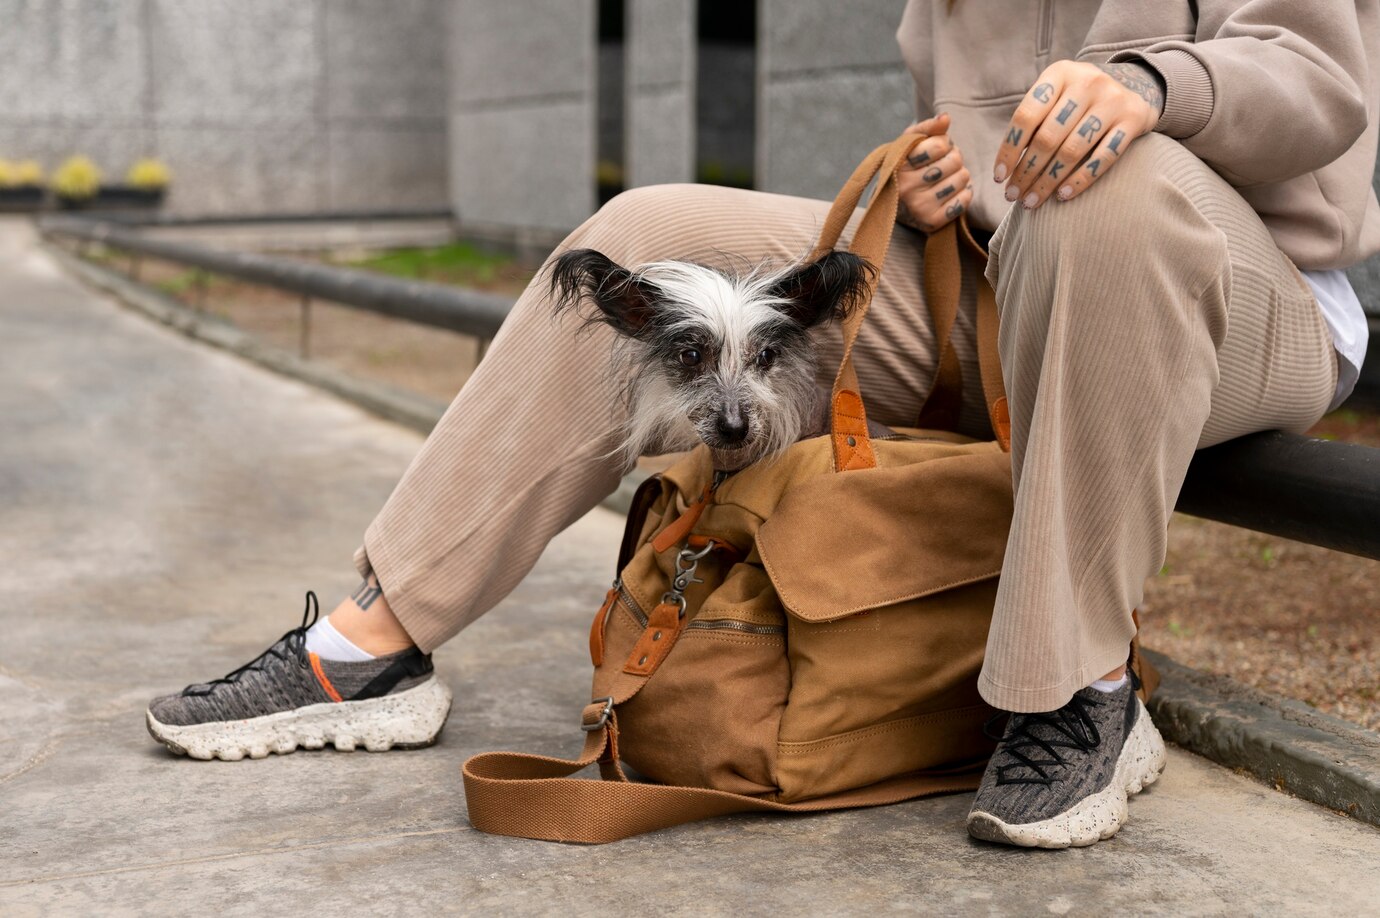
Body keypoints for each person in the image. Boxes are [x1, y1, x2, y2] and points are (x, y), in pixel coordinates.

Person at [146, 0, 1375, 848]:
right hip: (1011, 273)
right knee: (644, 235)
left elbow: (1321, 86)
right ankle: (370, 649)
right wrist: (940, 174)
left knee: (1116, 195)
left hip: (1240, 284)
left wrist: (1154, 88)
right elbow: (973, 130)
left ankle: (1080, 691)